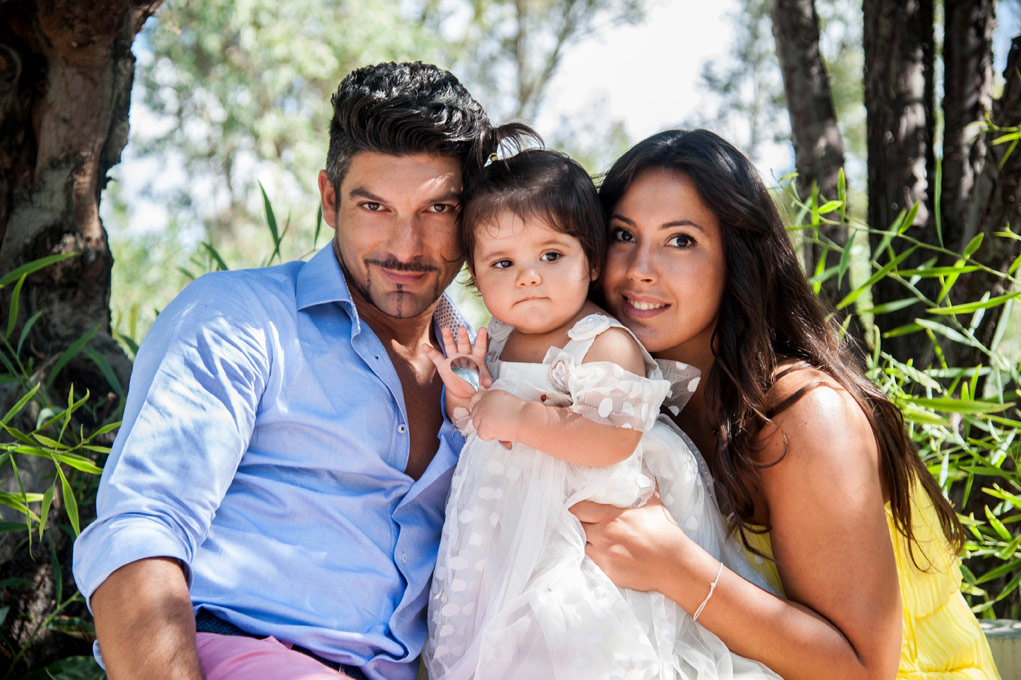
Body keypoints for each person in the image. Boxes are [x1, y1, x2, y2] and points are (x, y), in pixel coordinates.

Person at [72, 61, 534, 680]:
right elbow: (141, 530)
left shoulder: (495, 370)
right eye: (375, 205)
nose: (406, 245)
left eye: (438, 208)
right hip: (231, 654)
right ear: (330, 199)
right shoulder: (238, 318)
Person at [572, 128, 1001, 680]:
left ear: (738, 258)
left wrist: (674, 565)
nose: (639, 268)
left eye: (681, 240)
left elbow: (864, 670)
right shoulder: (632, 398)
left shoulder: (803, 413)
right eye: (623, 234)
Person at [421, 148, 780, 679]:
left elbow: (614, 438)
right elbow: (481, 424)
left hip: (580, 540)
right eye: (503, 263)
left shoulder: (601, 341)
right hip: (507, 534)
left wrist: (519, 418)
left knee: (572, 645)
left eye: (551, 256)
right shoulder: (497, 339)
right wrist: (466, 395)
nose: (528, 277)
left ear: (590, 263)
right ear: (475, 275)